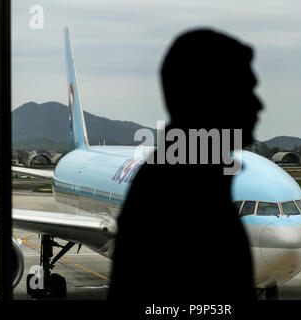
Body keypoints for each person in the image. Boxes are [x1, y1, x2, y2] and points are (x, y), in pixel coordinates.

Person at [109, 28, 263, 317]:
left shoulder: (193, 178)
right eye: (246, 90)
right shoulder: (174, 193)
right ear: (209, 98)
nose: (258, 104)